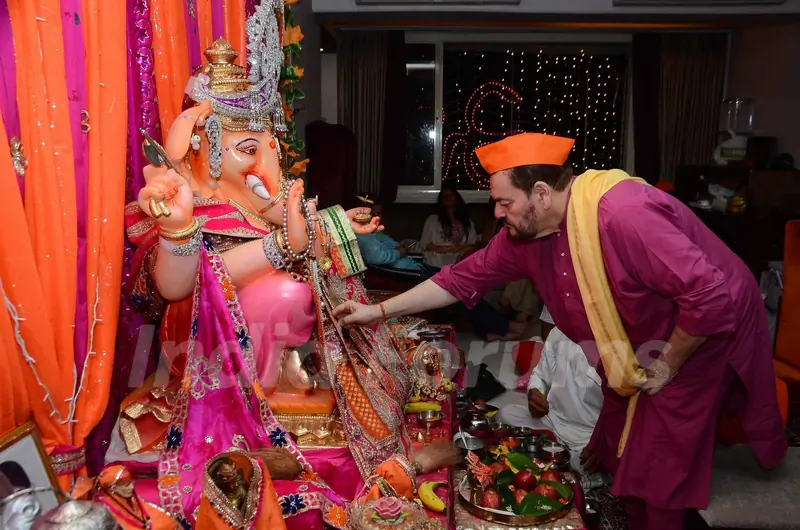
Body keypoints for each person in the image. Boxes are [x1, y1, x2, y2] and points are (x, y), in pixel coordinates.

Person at [333, 132, 787, 529]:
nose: (497, 212)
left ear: (543, 193)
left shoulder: (623, 213)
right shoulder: (525, 237)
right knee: (620, 437)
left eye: (505, 201)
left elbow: (708, 295)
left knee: (661, 458)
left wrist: (667, 365)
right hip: (636, 340)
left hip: (699, 330)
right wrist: (377, 312)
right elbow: (457, 280)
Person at [497, 306, 604, 475]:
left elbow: (625, 410)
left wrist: (601, 443)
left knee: (580, 466)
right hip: (552, 421)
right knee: (505, 414)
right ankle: (551, 455)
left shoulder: (613, 346)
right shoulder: (559, 332)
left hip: (586, 437)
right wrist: (535, 391)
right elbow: (540, 374)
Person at [356, 199, 424, 272]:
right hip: (405, 274)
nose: (378, 218)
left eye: (380, 213)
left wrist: (403, 247)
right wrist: (398, 253)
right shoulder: (361, 236)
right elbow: (378, 258)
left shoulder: (377, 232)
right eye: (374, 214)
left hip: (415, 266)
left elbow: (396, 245)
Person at [420, 184, 477, 268]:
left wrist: (460, 247)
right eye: (445, 196)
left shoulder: (468, 222)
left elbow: (474, 244)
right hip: (438, 258)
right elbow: (424, 243)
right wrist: (439, 248)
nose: (448, 198)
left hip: (460, 259)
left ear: (457, 198)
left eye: (451, 195)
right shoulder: (433, 219)